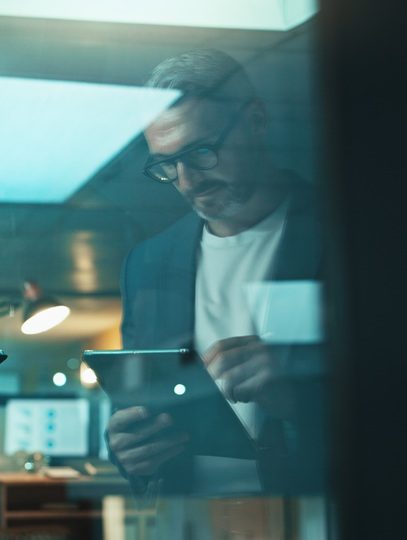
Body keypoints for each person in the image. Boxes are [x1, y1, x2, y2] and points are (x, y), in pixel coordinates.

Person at [106, 49, 326, 502]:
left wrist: (300, 399)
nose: (187, 181)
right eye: (166, 165)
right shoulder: (146, 264)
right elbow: (135, 404)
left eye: (202, 152)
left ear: (256, 121)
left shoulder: (352, 232)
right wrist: (129, 452)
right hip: (191, 519)